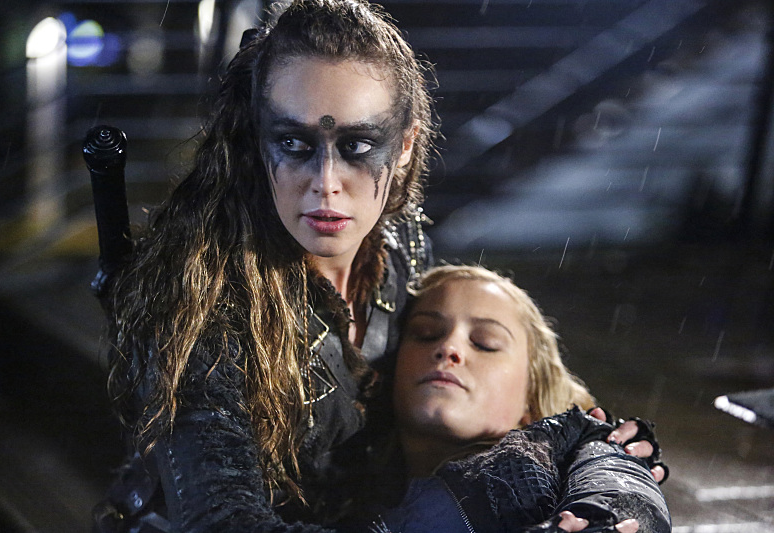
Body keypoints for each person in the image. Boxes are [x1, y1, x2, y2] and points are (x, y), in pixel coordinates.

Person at [91, 1, 663, 532]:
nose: (326, 183)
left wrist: (608, 480)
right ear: (256, 140)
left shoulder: (399, 243)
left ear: (406, 145)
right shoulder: (199, 299)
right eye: (293, 143)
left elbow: (563, 430)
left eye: (358, 145)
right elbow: (223, 523)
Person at [372, 265, 670, 533]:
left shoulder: (577, 448)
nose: (449, 347)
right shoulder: (351, 489)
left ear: (531, 393)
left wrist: (599, 520)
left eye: (485, 343)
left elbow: (619, 490)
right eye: (426, 333)